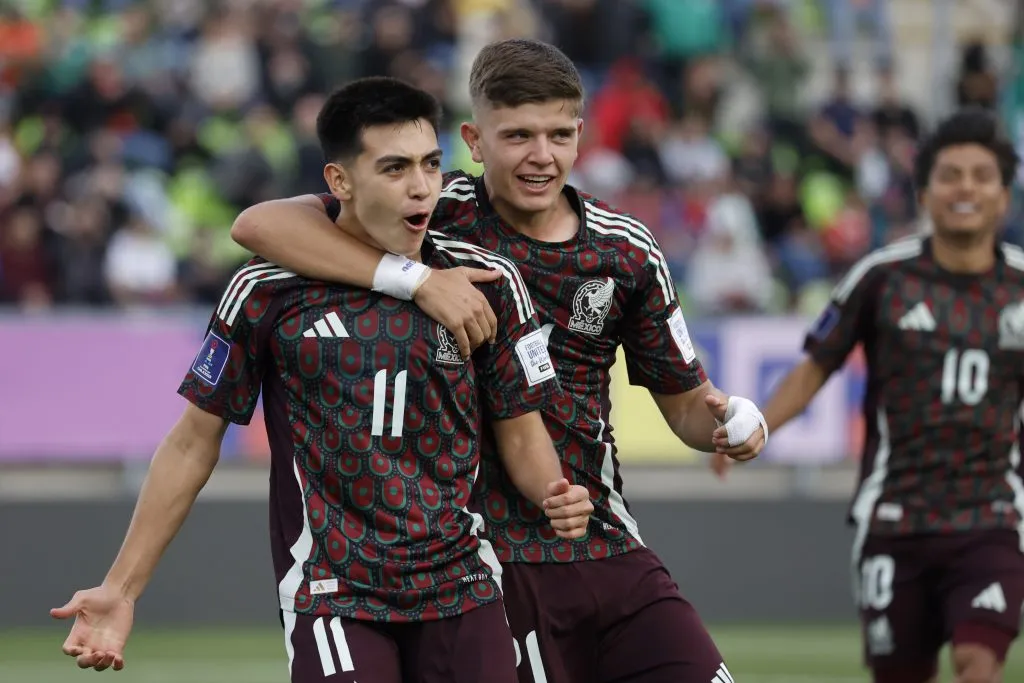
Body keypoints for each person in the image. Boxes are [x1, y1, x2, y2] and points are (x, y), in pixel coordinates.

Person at [231, 40, 766, 683]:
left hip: (606, 537)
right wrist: (414, 279)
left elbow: (685, 403)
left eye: (558, 134)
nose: (541, 156)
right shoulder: (427, 212)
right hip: (494, 562)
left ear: (580, 136)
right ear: (475, 140)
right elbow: (261, 226)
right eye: (517, 135)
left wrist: (723, 424)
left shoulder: (626, 251)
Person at [50, 76, 594, 683]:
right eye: (394, 169)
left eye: (431, 165)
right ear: (340, 182)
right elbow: (191, 441)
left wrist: (556, 491)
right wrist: (122, 588)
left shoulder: (484, 282)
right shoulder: (267, 291)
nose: (421, 187)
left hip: (463, 584)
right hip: (335, 594)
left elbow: (521, 432)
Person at [719, 109, 1024, 683]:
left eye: (982, 176)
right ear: (925, 193)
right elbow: (814, 369)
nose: (966, 188)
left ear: (1004, 196)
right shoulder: (881, 278)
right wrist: (760, 423)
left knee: (977, 665)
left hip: (992, 515)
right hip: (894, 516)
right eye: (950, 175)